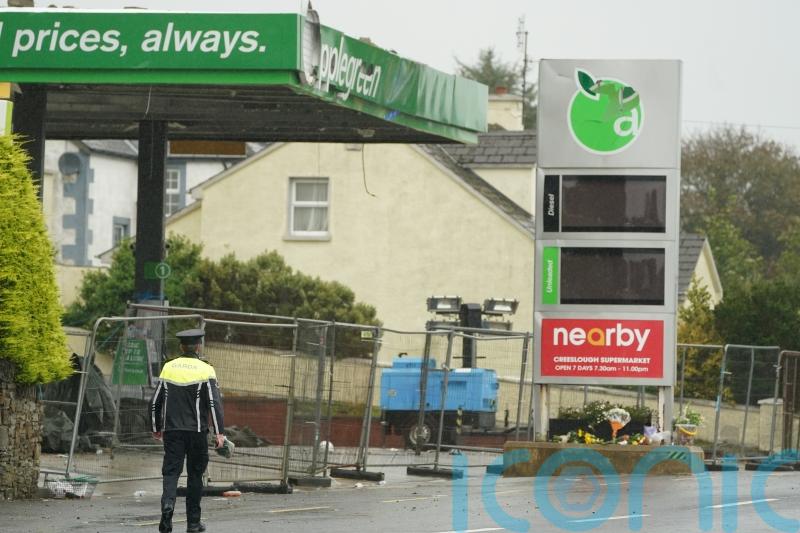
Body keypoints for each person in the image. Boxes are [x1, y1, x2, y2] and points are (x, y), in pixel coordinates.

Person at [150, 329, 225, 533]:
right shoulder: (206, 370)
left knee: (171, 473)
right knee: (195, 475)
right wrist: (220, 433)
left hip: (173, 432)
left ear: (181, 347)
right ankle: (193, 523)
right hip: (197, 432)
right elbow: (213, 402)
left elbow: (155, 401)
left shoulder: (168, 368)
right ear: (198, 346)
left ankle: (167, 510)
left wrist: (157, 428)